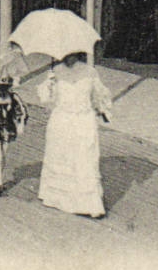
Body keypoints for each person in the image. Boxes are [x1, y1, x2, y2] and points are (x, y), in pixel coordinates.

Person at [37, 51, 113, 218]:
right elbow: (46, 99)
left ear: (79, 53)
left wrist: (102, 109)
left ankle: (89, 204)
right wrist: (49, 84)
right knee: (62, 158)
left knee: (85, 159)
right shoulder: (56, 72)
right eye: (65, 54)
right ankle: (57, 198)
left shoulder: (90, 72)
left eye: (72, 53)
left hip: (83, 121)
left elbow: (99, 95)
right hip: (61, 120)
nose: (68, 57)